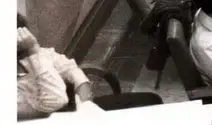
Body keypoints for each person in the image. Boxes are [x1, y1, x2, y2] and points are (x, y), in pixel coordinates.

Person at [17, 14, 161, 119]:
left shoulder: (32, 54)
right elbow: (56, 100)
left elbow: (68, 66)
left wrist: (83, 89)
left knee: (152, 101)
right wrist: (33, 53)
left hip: (81, 109)